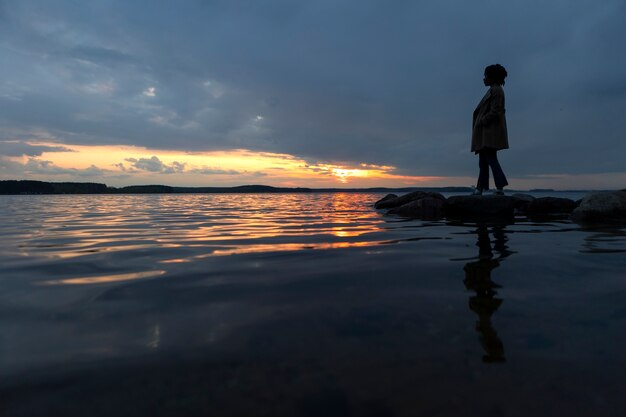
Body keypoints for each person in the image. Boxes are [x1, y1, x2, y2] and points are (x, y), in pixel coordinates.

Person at [471, 64, 509, 195]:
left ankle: (499, 187)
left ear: (493, 77)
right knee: (483, 162)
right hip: (485, 132)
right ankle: (480, 188)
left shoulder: (497, 90)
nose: (484, 79)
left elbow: (496, 110)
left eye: (486, 76)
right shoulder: (492, 90)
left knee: (491, 159)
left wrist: (483, 120)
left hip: (489, 132)